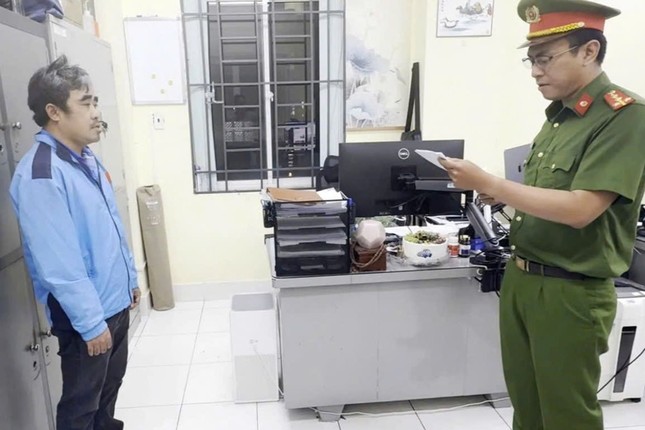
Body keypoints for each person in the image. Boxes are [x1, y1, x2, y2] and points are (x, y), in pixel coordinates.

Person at [440, 1, 645, 429]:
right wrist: (501, 193)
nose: (535, 71)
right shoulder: (560, 118)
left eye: (546, 58)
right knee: (527, 409)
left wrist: (492, 183)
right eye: (531, 60)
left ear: (589, 51)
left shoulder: (624, 116)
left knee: (567, 416)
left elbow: (582, 209)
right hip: (523, 278)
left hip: (570, 291)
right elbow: (549, 196)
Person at [9, 56, 140, 430]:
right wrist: (91, 323)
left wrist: (130, 280)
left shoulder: (85, 159)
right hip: (87, 315)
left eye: (95, 102)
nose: (96, 112)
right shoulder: (42, 174)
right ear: (54, 112)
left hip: (113, 302)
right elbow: (58, 264)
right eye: (86, 103)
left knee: (107, 393)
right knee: (81, 407)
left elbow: (110, 228)